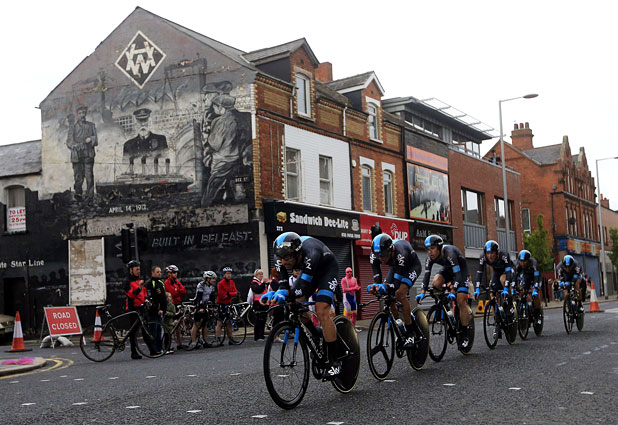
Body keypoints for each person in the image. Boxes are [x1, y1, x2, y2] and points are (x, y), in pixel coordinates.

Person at [261, 232, 342, 380]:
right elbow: (284, 284)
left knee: (321, 309)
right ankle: (315, 334)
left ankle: (334, 361)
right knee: (294, 305)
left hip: (326, 271)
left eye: (287, 257)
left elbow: (301, 287)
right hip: (307, 273)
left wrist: (285, 294)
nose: (283, 261)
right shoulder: (280, 257)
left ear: (297, 253)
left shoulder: (311, 252)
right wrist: (276, 293)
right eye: (280, 258)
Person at [416, 235, 472, 349]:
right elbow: (426, 276)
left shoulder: (450, 253)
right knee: (435, 282)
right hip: (448, 270)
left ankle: (465, 334)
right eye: (428, 249)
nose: (430, 252)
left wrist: (453, 291)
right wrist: (422, 292)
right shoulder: (429, 258)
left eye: (432, 248)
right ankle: (444, 306)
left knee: (460, 300)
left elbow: (458, 275)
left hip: (461, 272)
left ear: (440, 248)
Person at [368, 234, 422, 348]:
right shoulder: (374, 255)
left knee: (399, 293)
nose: (381, 258)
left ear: (391, 250)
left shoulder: (400, 253)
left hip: (412, 267)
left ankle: (410, 333)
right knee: (388, 296)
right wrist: (376, 287)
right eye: (378, 256)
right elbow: (377, 278)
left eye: (383, 255)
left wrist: (386, 287)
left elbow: (396, 285)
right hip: (396, 266)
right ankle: (399, 326)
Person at [123, 108, 169, 174]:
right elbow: (125, 167)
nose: (143, 125)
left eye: (145, 121)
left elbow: (166, 160)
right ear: (135, 124)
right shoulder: (128, 145)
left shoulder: (161, 140)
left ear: (150, 123)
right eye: (139, 121)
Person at [66, 105, 97, 201]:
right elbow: (69, 142)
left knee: (89, 177)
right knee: (78, 178)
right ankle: (78, 195)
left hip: (88, 155)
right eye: (80, 113)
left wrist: (91, 139)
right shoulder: (73, 128)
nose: (82, 115)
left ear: (86, 114)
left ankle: (90, 197)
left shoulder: (91, 125)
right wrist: (76, 145)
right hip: (77, 156)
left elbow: (96, 141)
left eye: (84, 113)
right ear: (77, 115)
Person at [124, 260, 148, 360]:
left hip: (141, 307)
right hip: (132, 308)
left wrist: (146, 299)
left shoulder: (139, 280)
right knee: (133, 331)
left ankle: (153, 349)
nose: (139, 271)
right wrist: (139, 288)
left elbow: (144, 291)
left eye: (139, 269)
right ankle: (133, 352)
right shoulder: (127, 282)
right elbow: (131, 294)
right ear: (131, 270)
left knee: (145, 329)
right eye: (136, 269)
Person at [189, 271, 217, 349]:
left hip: (205, 305)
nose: (214, 280)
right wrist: (200, 307)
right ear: (207, 279)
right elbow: (199, 297)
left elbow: (212, 297)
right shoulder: (201, 285)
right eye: (213, 278)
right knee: (196, 324)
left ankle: (205, 341)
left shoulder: (212, 286)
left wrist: (214, 306)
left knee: (205, 323)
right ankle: (194, 342)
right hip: (198, 304)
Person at [514, 250, 543, 326]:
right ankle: (523, 310)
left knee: (535, 294)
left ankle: (537, 315)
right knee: (521, 292)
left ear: (528, 260)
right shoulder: (517, 264)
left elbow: (537, 278)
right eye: (521, 261)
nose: (522, 263)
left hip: (535, 277)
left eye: (524, 261)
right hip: (526, 277)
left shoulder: (534, 263)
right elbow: (515, 277)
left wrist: (535, 288)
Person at [145, 266, 167, 355]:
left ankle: (159, 348)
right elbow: (149, 298)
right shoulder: (149, 284)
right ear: (153, 273)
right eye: (157, 272)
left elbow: (163, 298)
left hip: (160, 311)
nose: (159, 273)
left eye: (160, 272)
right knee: (153, 331)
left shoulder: (161, 283)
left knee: (159, 331)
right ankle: (153, 349)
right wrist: (156, 309)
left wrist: (163, 309)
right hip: (152, 312)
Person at [164, 265, 187, 348]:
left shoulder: (177, 282)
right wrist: (177, 291)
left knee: (178, 325)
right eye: (174, 272)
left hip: (178, 304)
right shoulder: (167, 282)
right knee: (170, 325)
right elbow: (172, 293)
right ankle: (168, 344)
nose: (175, 274)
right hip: (171, 305)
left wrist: (177, 290)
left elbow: (184, 290)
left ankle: (179, 343)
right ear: (169, 273)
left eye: (176, 272)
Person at [216, 266, 238, 345]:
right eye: (227, 274)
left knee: (229, 322)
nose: (229, 275)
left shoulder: (232, 282)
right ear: (224, 275)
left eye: (230, 273)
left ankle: (231, 339)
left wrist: (228, 294)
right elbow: (222, 296)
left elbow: (236, 292)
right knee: (220, 322)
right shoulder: (220, 283)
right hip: (221, 304)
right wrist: (230, 294)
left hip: (229, 303)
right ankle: (218, 339)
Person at [250, 269, 269, 341]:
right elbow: (258, 290)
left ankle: (261, 335)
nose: (261, 275)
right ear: (256, 275)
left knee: (263, 320)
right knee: (258, 321)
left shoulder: (261, 282)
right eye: (259, 274)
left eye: (262, 274)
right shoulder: (254, 283)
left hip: (264, 303)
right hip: (257, 304)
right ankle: (257, 336)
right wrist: (264, 283)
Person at [341, 267, 361, 332]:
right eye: (348, 272)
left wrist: (357, 288)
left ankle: (353, 328)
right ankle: (348, 329)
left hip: (352, 297)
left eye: (350, 271)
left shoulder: (354, 279)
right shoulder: (344, 280)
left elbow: (357, 286)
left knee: (355, 313)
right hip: (347, 298)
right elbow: (344, 289)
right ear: (345, 273)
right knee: (348, 314)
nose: (349, 273)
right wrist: (354, 288)